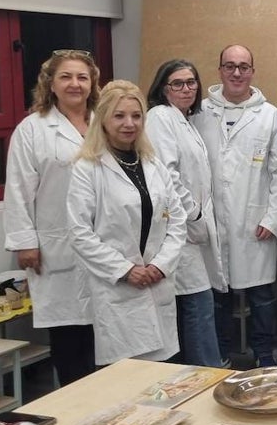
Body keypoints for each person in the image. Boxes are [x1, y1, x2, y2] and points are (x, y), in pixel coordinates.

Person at [67, 80, 187, 366]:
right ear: (103, 120)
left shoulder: (152, 163)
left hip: (157, 282)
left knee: (163, 380)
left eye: (136, 116)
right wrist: (125, 270)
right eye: (119, 116)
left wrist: (160, 265)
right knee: (126, 379)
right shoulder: (88, 167)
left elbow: (177, 220)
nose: (129, 124)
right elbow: (80, 233)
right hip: (118, 287)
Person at [3, 49, 100, 385]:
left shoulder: (105, 122)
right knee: (70, 334)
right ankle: (75, 403)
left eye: (82, 77)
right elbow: (18, 189)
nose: (75, 84)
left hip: (106, 243)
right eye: (66, 77)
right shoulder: (32, 129)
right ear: (51, 84)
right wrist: (24, 242)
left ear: (92, 83)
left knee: (106, 332)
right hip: (57, 245)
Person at [194, 44, 277, 367]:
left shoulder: (270, 116)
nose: (237, 73)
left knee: (262, 296)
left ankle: (264, 355)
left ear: (253, 71)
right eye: (230, 66)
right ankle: (220, 355)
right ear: (219, 70)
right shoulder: (200, 113)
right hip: (213, 222)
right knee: (218, 295)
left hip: (255, 220)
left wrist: (273, 217)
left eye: (244, 66)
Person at [146, 59, 226, 368]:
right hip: (179, 228)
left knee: (197, 302)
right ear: (162, 88)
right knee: (198, 303)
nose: (186, 89)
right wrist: (192, 216)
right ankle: (208, 372)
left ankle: (200, 370)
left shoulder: (185, 120)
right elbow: (168, 174)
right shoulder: (160, 117)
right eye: (177, 83)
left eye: (191, 82)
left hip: (191, 227)